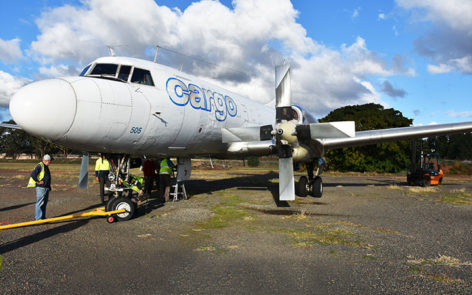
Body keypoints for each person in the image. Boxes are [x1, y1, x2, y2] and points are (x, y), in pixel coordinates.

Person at [28, 154, 52, 220]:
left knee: (44, 204)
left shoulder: (46, 166)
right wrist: (38, 181)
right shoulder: (40, 166)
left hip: (46, 188)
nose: (50, 162)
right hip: (41, 188)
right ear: (46, 160)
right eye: (50, 161)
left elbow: (46, 177)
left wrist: (49, 187)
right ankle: (38, 219)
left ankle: (42, 218)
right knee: (40, 203)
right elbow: (33, 174)